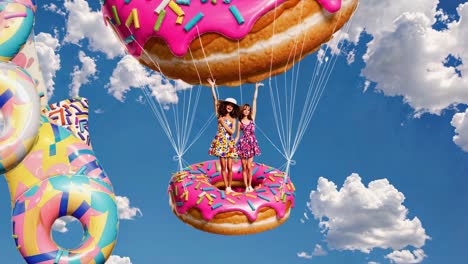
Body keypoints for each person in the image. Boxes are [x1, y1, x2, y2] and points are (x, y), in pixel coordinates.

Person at [207, 78, 239, 193]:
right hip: (220, 141)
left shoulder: (233, 118)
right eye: (228, 105)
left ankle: (230, 186)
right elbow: (215, 100)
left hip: (229, 142)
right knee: (223, 166)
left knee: (230, 167)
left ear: (233, 108)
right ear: (225, 105)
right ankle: (227, 187)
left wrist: (222, 123)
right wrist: (212, 87)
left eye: (232, 105)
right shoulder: (219, 114)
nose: (229, 106)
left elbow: (231, 132)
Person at [235, 82, 263, 192]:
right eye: (245, 109)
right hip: (243, 143)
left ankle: (249, 185)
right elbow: (237, 135)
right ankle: (246, 186)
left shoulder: (252, 119)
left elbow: (254, 101)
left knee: (249, 166)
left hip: (251, 143)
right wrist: (232, 144)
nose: (247, 111)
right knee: (244, 165)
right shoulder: (240, 122)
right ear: (242, 111)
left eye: (248, 109)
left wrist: (256, 88)